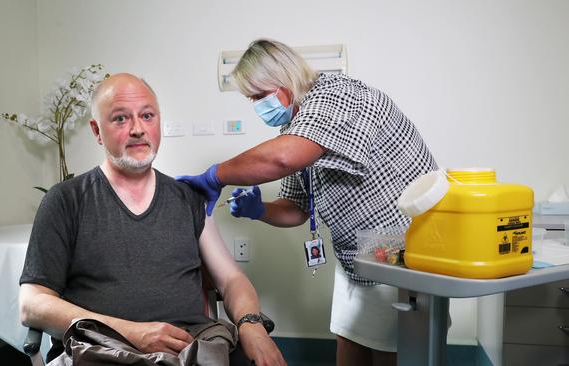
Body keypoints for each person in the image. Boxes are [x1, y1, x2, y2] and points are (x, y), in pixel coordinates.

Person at [176, 39, 438, 365]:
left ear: (284, 80)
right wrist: (259, 211)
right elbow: (296, 208)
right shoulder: (296, 125)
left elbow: (283, 158)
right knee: (349, 342)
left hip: (401, 253)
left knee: (389, 354)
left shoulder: (339, 95)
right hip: (359, 257)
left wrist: (215, 175)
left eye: (259, 96)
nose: (257, 106)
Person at [18, 73, 285, 366]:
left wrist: (251, 325)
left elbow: (231, 279)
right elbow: (31, 304)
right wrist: (131, 332)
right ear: (96, 131)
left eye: (147, 116)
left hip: (188, 349)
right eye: (120, 119)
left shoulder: (189, 199)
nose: (137, 129)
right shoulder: (65, 200)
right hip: (102, 350)